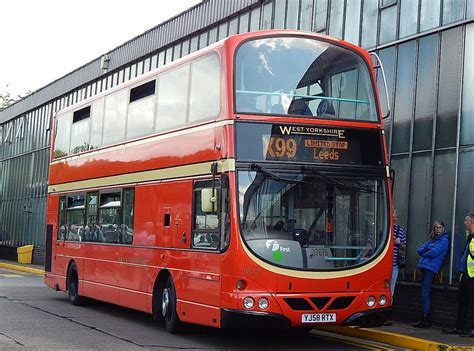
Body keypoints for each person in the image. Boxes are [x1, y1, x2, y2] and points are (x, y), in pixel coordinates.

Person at [412, 220, 449, 328]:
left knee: (425, 293)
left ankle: (426, 319)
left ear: (443, 228)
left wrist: (426, 251)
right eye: (436, 228)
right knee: (424, 294)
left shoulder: (444, 240)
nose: (438, 230)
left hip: (430, 269)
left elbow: (434, 253)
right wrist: (427, 250)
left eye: (440, 228)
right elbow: (419, 250)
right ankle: (424, 318)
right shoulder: (432, 240)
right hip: (424, 267)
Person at [443, 212, 474, 337]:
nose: (464, 222)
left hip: (472, 277)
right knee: (462, 302)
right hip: (466, 276)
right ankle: (459, 327)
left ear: (472, 221)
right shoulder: (470, 237)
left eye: (466, 220)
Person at [391, 209, 407, 298]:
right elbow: (371, 243)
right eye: (393, 217)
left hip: (394, 266)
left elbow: (403, 247)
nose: (395, 219)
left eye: (396, 217)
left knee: (391, 290)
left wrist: (399, 243)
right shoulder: (380, 228)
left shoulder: (400, 231)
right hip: (381, 265)